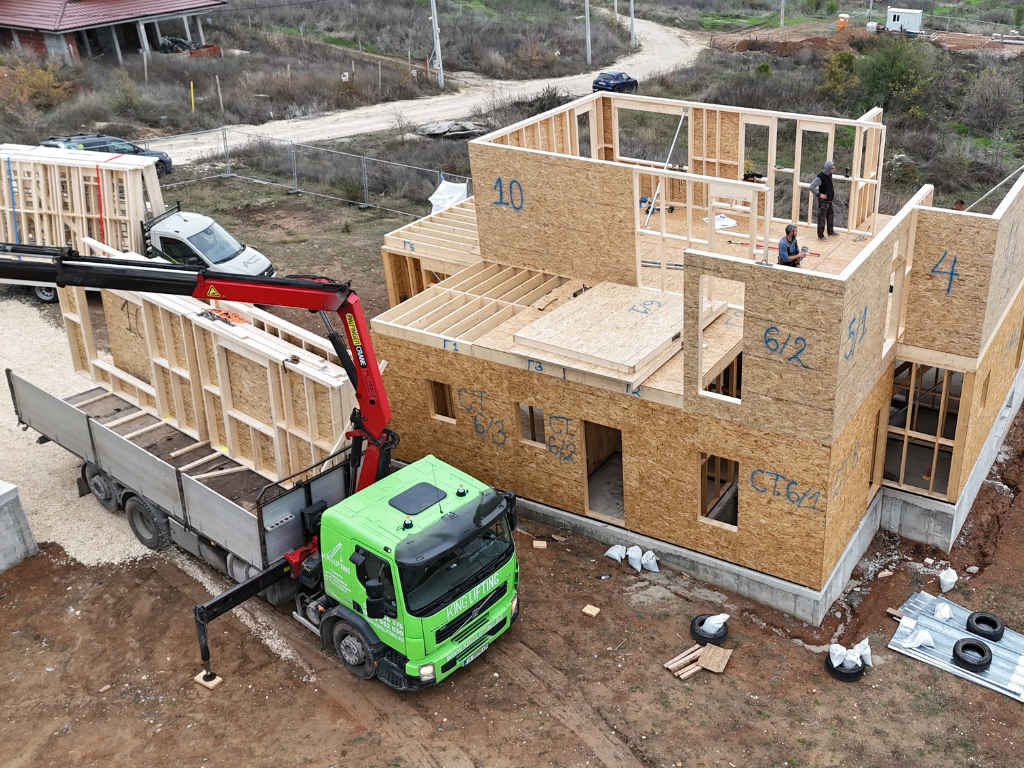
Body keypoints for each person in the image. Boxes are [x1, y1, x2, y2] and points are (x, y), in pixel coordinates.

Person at [809, 160, 837, 242]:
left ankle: (830, 231)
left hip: (829, 201)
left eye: (834, 168)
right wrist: (819, 194)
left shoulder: (829, 175)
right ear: (828, 168)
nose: (833, 170)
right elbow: (811, 187)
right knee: (822, 219)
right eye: (832, 168)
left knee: (831, 216)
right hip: (823, 203)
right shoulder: (820, 177)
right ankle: (821, 235)